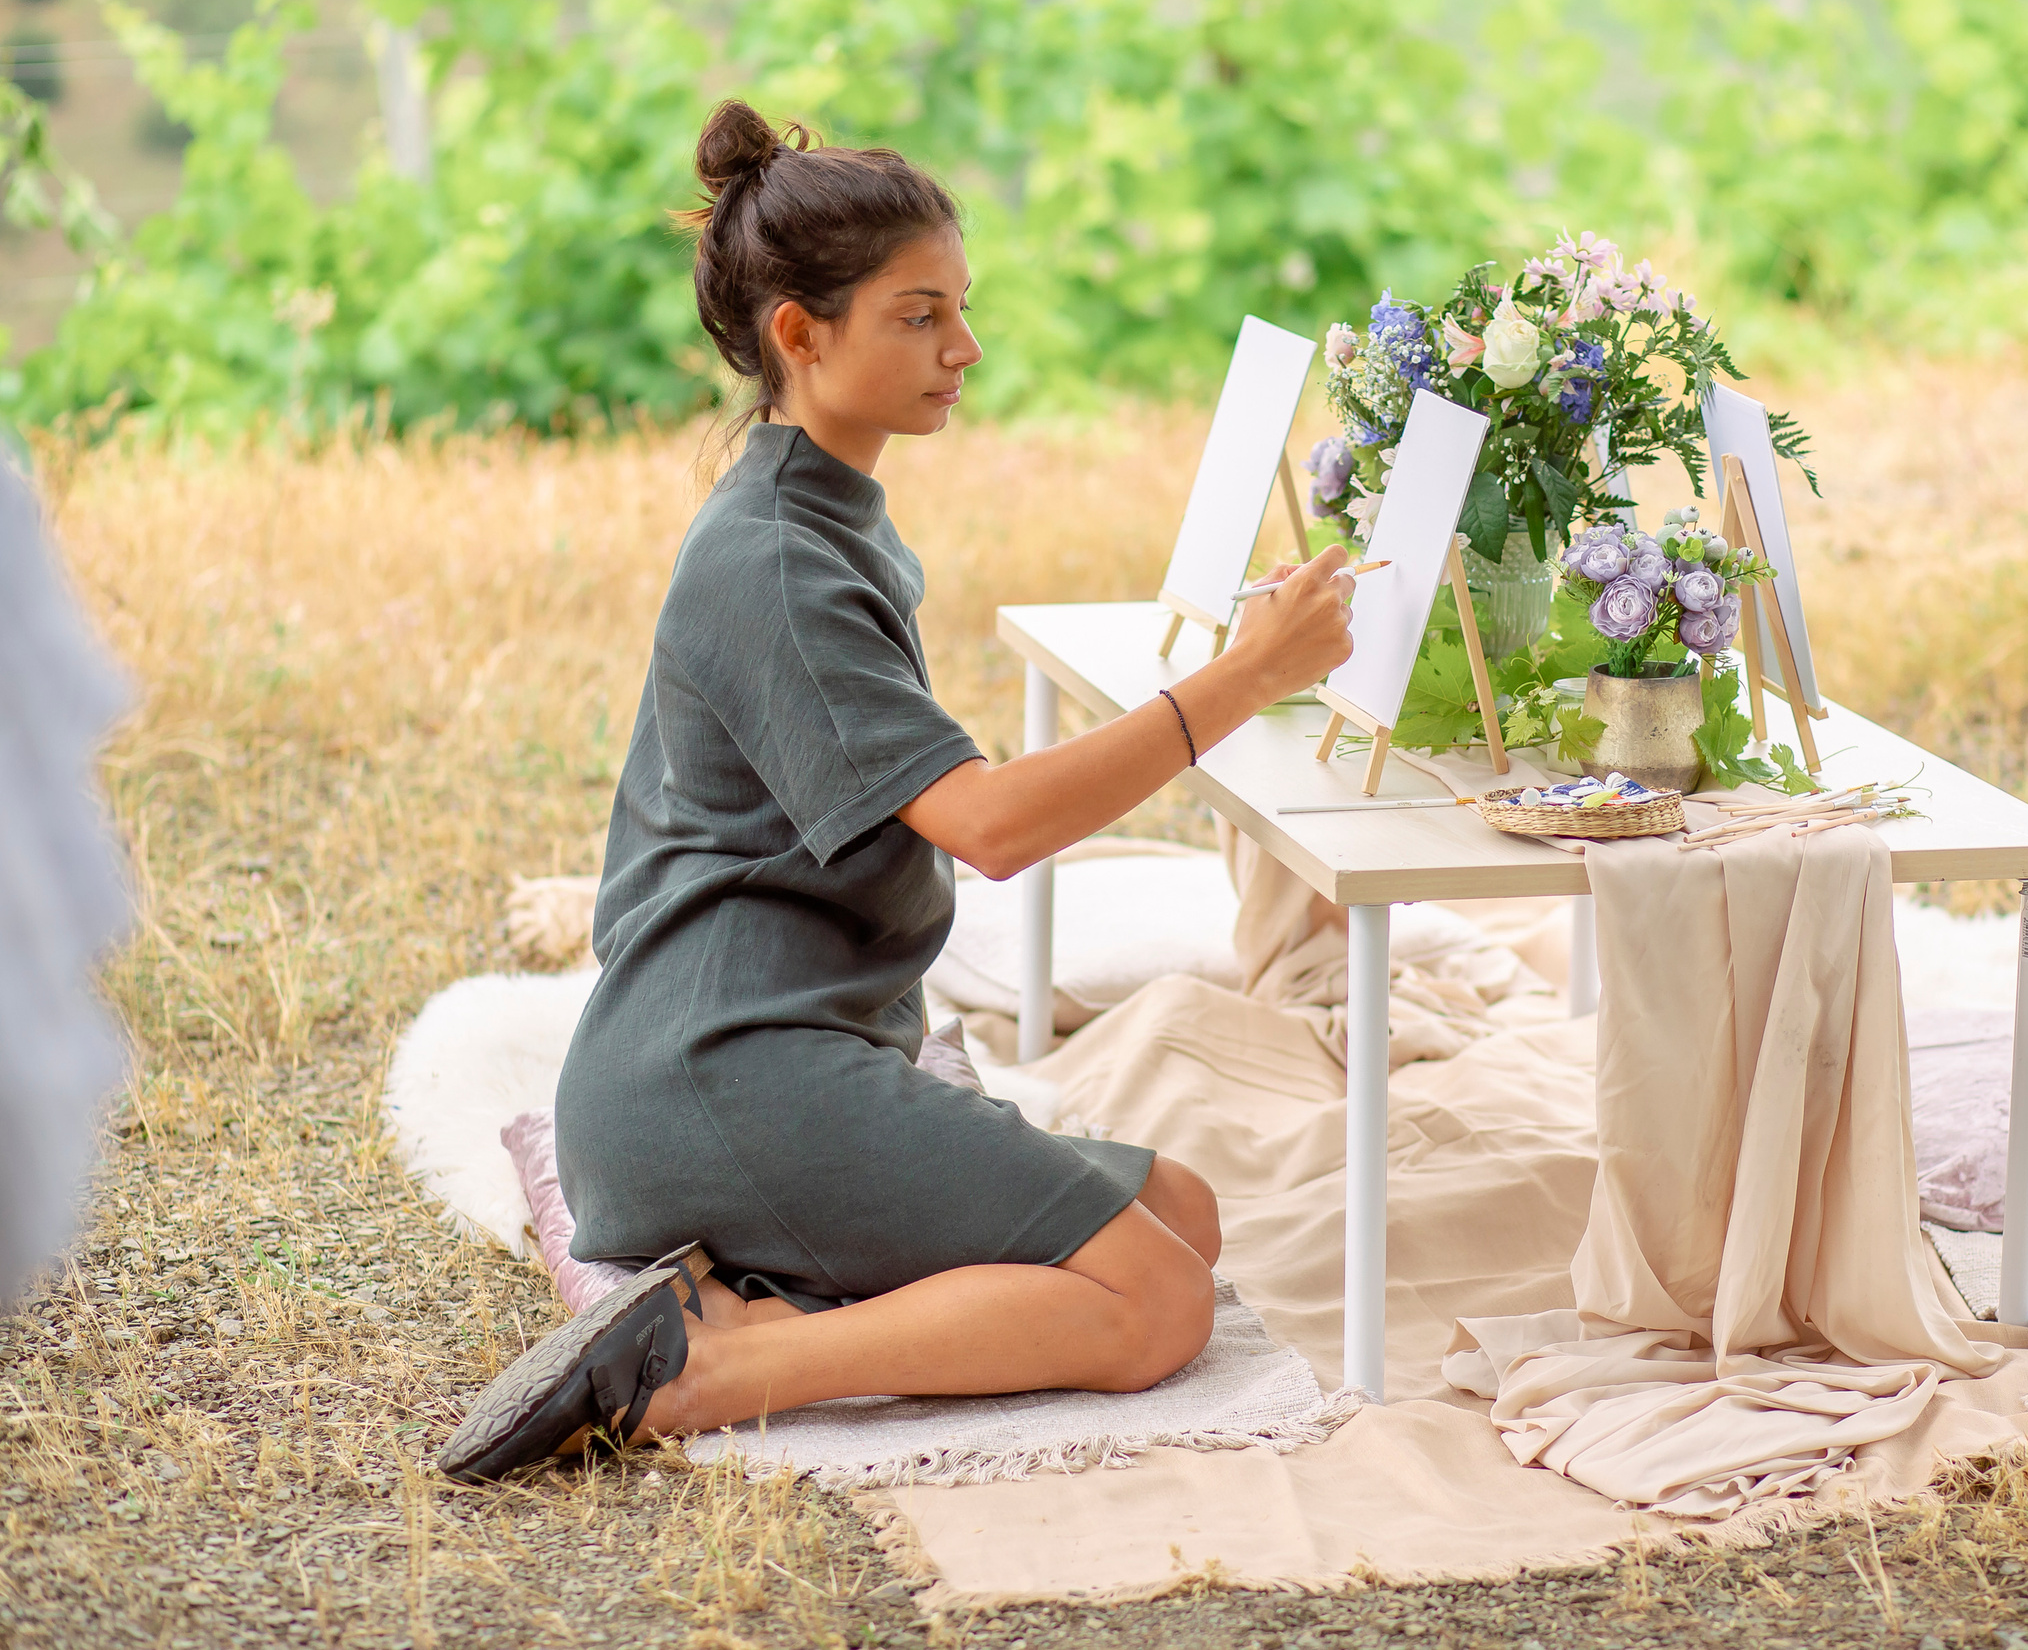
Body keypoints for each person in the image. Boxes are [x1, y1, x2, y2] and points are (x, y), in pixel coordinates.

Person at [437, 102, 1355, 1482]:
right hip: (721, 1078)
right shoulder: (777, 565)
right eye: (919, 316)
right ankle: (720, 1364)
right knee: (1154, 1304)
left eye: (963, 309)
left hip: (771, 1052)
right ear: (799, 338)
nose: (964, 351)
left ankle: (772, 1284)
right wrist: (1242, 676)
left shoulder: (817, 509)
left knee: (1187, 1216)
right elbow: (988, 827)